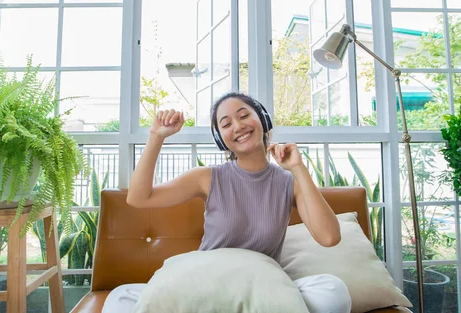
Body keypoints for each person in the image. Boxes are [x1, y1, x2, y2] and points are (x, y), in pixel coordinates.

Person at [104, 92, 352, 313]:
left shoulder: (289, 182)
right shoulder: (208, 177)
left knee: (333, 292)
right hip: (204, 283)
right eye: (226, 124)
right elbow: (137, 198)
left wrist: (298, 168)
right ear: (222, 138)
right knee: (119, 301)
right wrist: (156, 136)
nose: (238, 126)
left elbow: (329, 237)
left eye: (244, 116)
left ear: (263, 121)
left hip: (261, 288)